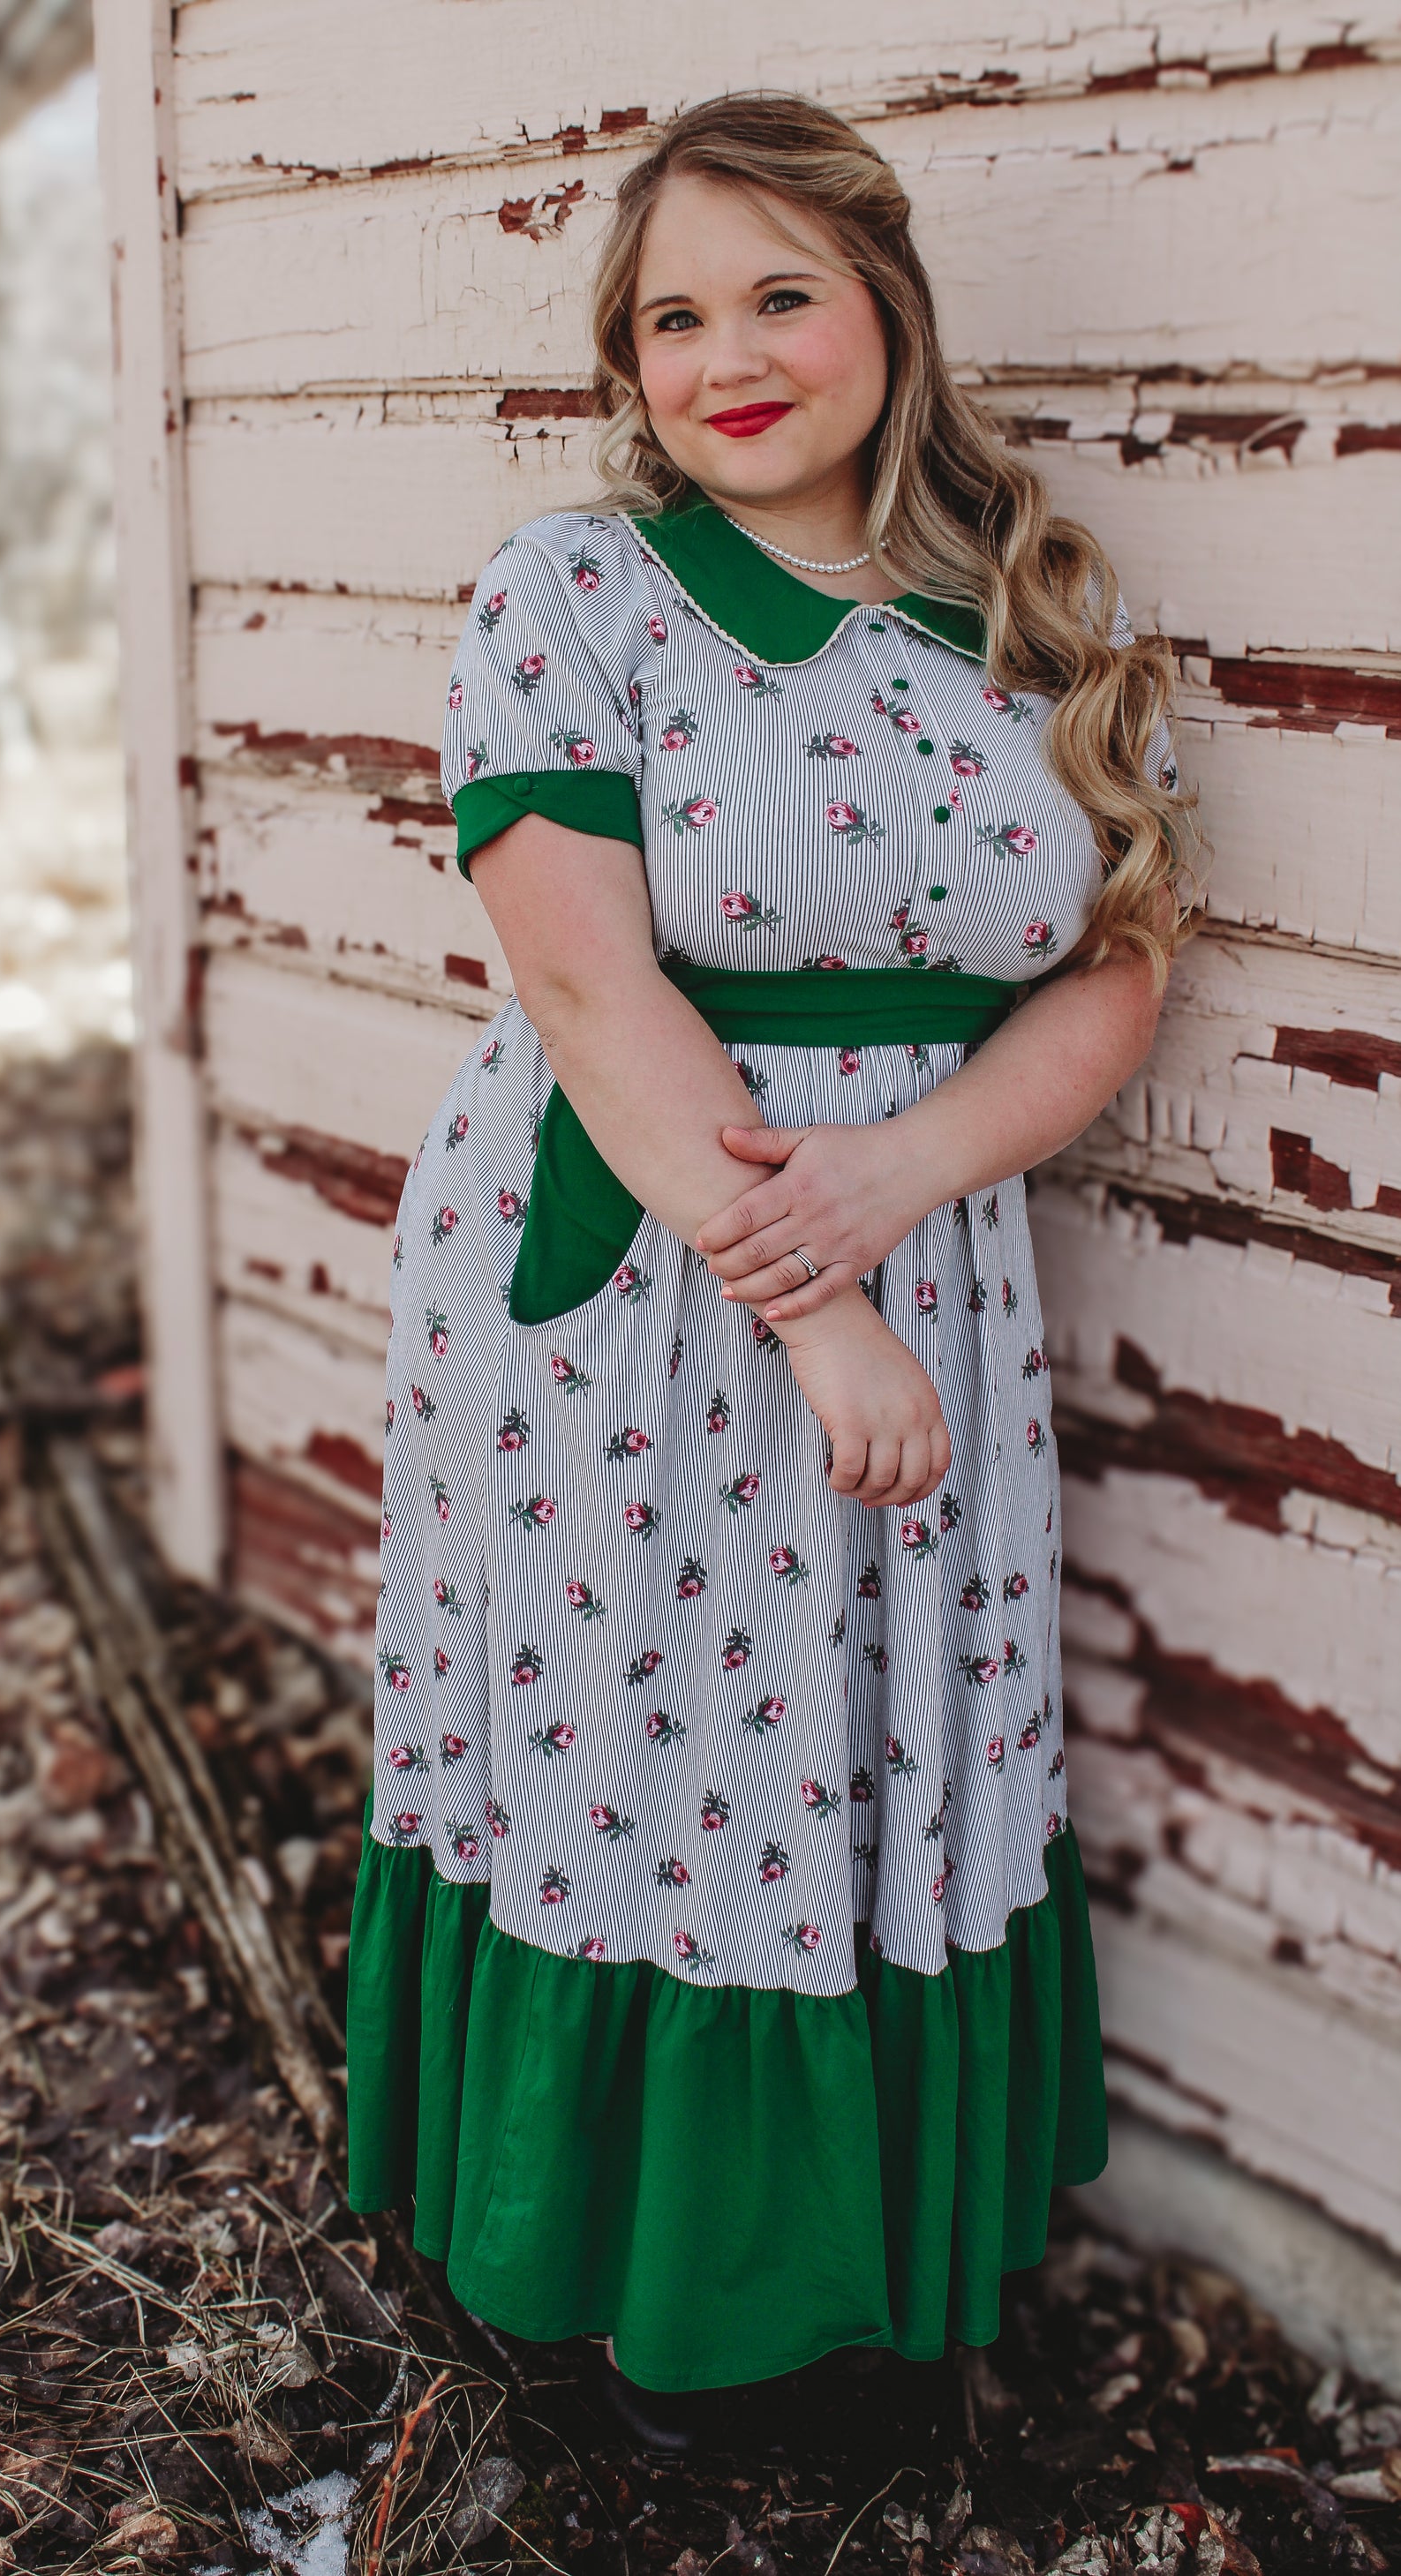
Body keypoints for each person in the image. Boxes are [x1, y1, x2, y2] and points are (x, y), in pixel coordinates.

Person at [343, 90, 1194, 2444]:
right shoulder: (568, 595)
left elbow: (1111, 965)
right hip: (631, 1274)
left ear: (886, 316)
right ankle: (618, 2289)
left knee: (888, 1753)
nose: (728, 354)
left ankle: (852, 2286)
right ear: (625, 364)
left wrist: (896, 1183)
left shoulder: (1026, 605)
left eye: (779, 294)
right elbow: (594, 994)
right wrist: (805, 1305)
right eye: (671, 315)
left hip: (918, 1256)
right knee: (656, 1770)